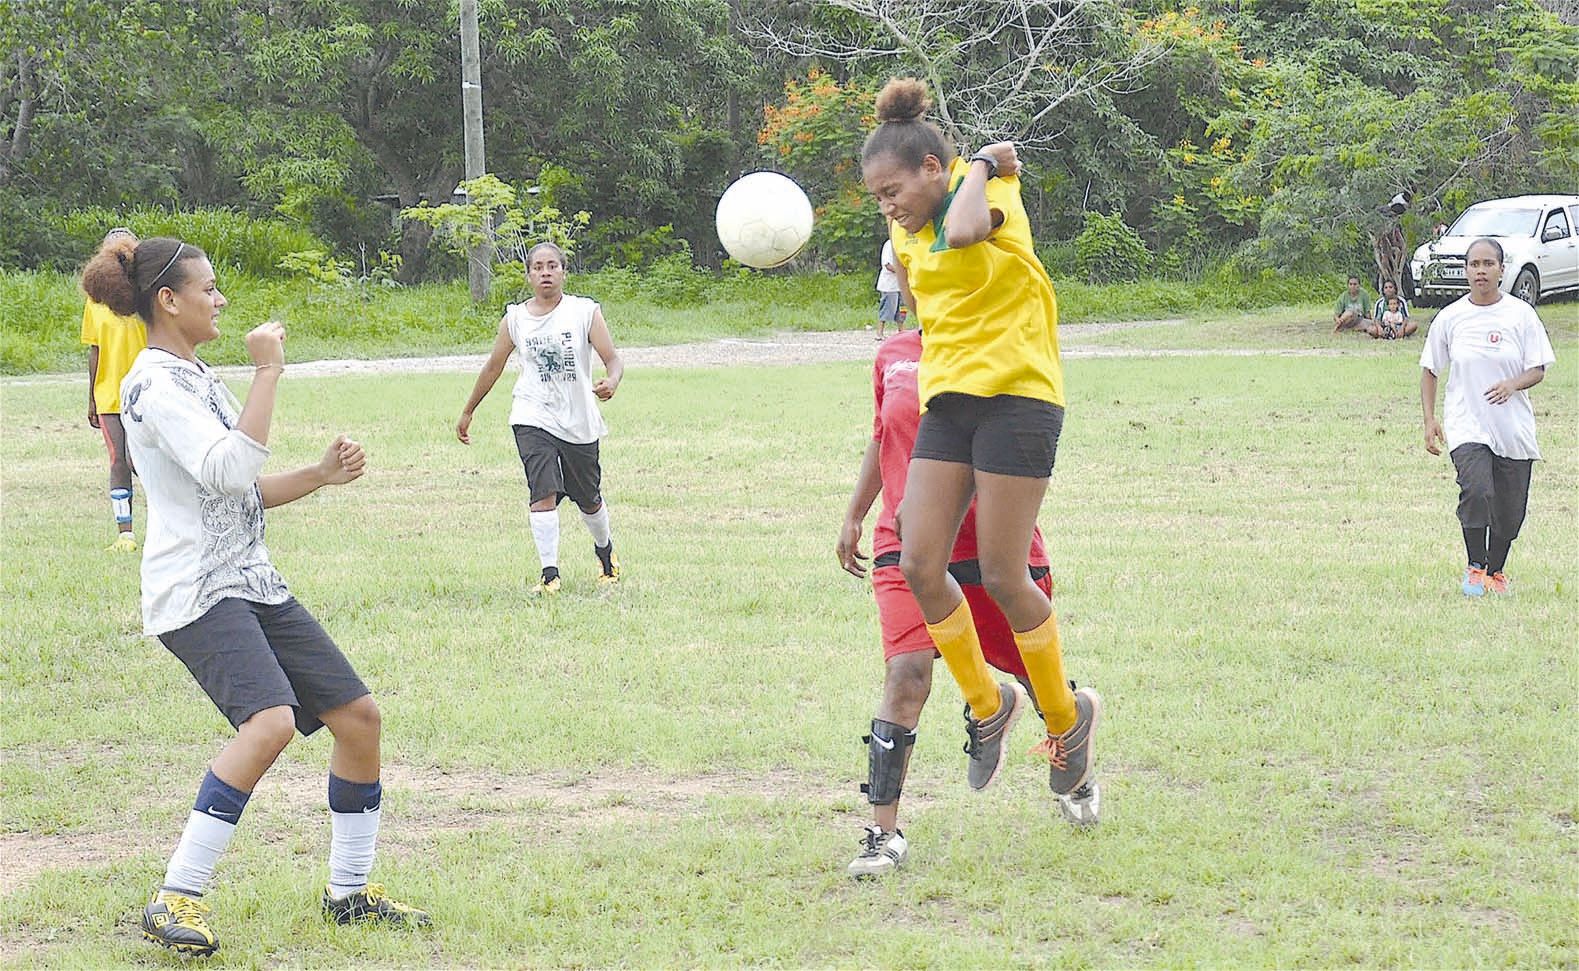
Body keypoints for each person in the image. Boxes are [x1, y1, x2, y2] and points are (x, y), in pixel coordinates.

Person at [79, 236, 428, 956]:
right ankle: (176, 895)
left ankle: (349, 893)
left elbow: (242, 489)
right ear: (167, 300)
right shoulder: (153, 384)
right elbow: (231, 469)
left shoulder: (198, 375)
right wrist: (269, 369)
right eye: (208, 288)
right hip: (198, 589)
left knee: (358, 718)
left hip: (249, 579)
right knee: (268, 722)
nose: (221, 299)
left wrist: (319, 475)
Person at [858, 78, 1099, 803]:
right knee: (920, 562)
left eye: (894, 188)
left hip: (1020, 398)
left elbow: (963, 232)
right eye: (876, 195)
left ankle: (1066, 716)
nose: (888, 205)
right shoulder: (903, 231)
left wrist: (989, 163)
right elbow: (921, 286)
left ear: (934, 168)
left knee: (999, 572)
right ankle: (990, 705)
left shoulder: (990, 192)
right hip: (950, 400)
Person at [839, 328, 1098, 878]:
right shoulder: (892, 355)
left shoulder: (994, 345)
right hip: (903, 541)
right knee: (906, 676)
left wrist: (935, 500)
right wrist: (856, 512)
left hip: (990, 544)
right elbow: (882, 434)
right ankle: (882, 832)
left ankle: (1072, 749)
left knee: (1033, 674)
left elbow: (1007, 446)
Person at [456, 242, 625, 593]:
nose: (545, 272)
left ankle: (605, 555)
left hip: (578, 419)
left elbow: (613, 359)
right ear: (529, 275)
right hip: (532, 414)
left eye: (552, 266)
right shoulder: (515, 319)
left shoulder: (584, 312)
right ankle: (550, 575)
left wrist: (611, 381)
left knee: (588, 497)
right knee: (543, 490)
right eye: (538, 267)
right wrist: (469, 410)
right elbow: (494, 366)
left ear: (564, 271)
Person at [1420, 237, 1555, 597]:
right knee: (1476, 490)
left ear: (1501, 269)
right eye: (1474, 265)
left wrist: (1513, 384)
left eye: (1487, 264)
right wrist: (1430, 419)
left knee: (1510, 512)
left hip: (1512, 427)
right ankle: (1475, 566)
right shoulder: (1450, 317)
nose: (1480, 271)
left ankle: (1496, 571)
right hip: (1468, 423)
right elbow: (1430, 369)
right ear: (1466, 271)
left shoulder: (1520, 315)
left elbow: (1538, 368)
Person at [81, 227, 149, 551]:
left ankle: (175, 517)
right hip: (109, 393)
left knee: (140, 460)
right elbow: (94, 350)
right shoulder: (95, 301)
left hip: (146, 390)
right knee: (118, 460)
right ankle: (126, 534)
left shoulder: (146, 295)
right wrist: (92, 396)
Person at [875, 239, 902, 339]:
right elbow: (887, 265)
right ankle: (879, 332)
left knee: (901, 310)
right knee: (886, 308)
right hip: (889, 285)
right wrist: (901, 272)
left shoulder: (902, 242)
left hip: (901, 284)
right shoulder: (889, 245)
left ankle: (902, 332)